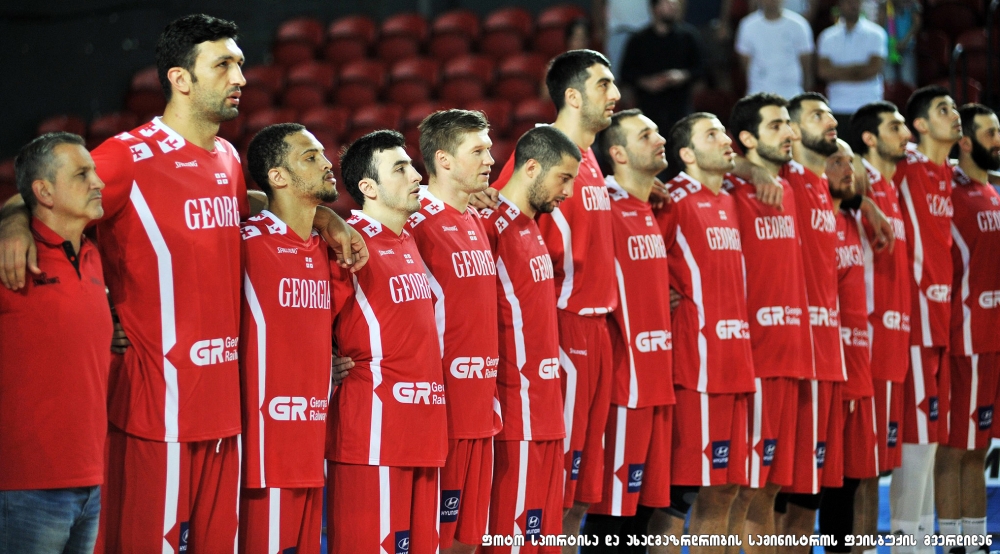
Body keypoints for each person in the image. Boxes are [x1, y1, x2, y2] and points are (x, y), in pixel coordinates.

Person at [0, 15, 366, 551]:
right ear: (180, 79)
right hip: (157, 409)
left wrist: (328, 217)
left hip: (224, 411)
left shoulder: (228, 158)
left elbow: (247, 203)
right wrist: (12, 222)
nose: (239, 77)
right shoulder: (131, 154)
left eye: (240, 63)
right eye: (223, 65)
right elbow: (42, 196)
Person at [486, 49, 621, 547]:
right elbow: (498, 226)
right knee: (555, 492)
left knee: (583, 492)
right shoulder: (540, 160)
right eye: (604, 85)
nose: (616, 95)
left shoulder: (590, 160)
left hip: (599, 331)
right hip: (560, 336)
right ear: (572, 95)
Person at [325, 130, 447, 554]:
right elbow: (303, 312)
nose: (415, 175)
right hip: (373, 436)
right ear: (367, 187)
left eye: (412, 165)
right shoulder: (346, 241)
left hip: (425, 432)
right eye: (400, 168)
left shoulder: (409, 237)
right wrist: (325, 358)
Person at [0, 132, 111, 553]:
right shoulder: (9, 260)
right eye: (82, 174)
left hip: (90, 482)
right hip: (25, 486)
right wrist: (11, 222)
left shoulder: (93, 256)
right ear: (44, 191)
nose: (98, 182)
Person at [237, 123, 342, 553]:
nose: (326, 163)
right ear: (277, 177)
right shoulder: (244, 243)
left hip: (313, 447)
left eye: (322, 153)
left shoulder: (328, 247)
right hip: (264, 454)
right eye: (310, 157)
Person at [657, 112, 756, 553]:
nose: (726, 140)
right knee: (682, 497)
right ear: (686, 154)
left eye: (725, 132)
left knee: (730, 491)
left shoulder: (733, 197)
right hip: (694, 369)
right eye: (712, 135)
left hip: (736, 364)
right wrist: (662, 295)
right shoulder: (672, 198)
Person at [480, 125, 580, 553]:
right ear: (533, 167)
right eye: (564, 178)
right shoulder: (487, 224)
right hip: (514, 416)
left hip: (545, 412)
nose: (570, 192)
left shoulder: (532, 225)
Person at [724, 94, 814, 552]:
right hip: (753, 358)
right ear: (746, 138)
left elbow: (841, 157)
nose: (790, 132)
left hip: (794, 356)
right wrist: (747, 168)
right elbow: (700, 165)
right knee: (746, 489)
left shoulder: (794, 181)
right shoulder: (729, 189)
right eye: (777, 125)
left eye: (789, 124)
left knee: (775, 489)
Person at [407, 109, 500, 554]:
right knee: (435, 542)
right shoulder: (413, 218)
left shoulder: (476, 219)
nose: (491, 159)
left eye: (489, 148)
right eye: (478, 151)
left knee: (468, 542)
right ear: (443, 160)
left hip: (480, 408)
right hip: (440, 413)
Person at [582, 109, 675, 548]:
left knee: (642, 516)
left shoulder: (651, 205)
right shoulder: (605, 204)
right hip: (623, 387)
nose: (658, 139)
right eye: (645, 135)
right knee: (611, 521)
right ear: (616, 153)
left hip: (657, 383)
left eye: (657, 132)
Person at [891, 85, 960, 551]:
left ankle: (919, 539)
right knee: (917, 433)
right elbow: (854, 163)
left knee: (931, 435)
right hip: (911, 320)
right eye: (942, 109)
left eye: (954, 109)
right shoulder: (908, 163)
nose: (953, 115)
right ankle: (904, 543)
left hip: (944, 319)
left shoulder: (950, 175)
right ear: (918, 125)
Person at [844, 100, 914, 545]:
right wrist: (865, 199)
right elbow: (839, 163)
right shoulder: (860, 178)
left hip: (892, 337)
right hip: (864, 337)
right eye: (895, 126)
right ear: (869, 138)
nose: (906, 133)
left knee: (873, 468)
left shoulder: (893, 187)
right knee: (860, 467)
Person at [937, 103, 1000, 545]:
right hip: (963, 338)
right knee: (954, 451)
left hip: (992, 339)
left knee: (976, 451)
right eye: (990, 133)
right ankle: (952, 541)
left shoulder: (994, 193)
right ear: (965, 141)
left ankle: (974, 541)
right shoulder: (950, 193)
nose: (998, 141)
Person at [818, 138, 882, 552]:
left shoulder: (853, 217)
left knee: (849, 478)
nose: (847, 169)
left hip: (856, 362)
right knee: (804, 488)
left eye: (851, 161)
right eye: (836, 161)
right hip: (821, 364)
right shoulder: (813, 217)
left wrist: (866, 203)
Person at [620, 0, 705, 136]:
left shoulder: (688, 37)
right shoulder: (638, 40)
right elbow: (626, 73)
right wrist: (645, 82)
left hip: (680, 107)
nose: (673, 7)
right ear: (654, 8)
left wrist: (683, 75)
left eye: (674, 4)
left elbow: (701, 68)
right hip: (648, 108)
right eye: (667, 3)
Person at [816, 0, 888, 130]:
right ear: (840, 5)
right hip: (837, 105)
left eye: (856, 1)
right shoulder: (827, 36)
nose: (853, 5)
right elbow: (823, 72)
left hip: (869, 105)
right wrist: (858, 70)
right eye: (848, 2)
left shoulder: (876, 33)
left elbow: (873, 70)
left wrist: (837, 71)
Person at [734, 0, 814, 99]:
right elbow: (745, 62)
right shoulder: (747, 25)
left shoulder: (799, 25)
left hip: (792, 94)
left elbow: (806, 62)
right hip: (758, 95)